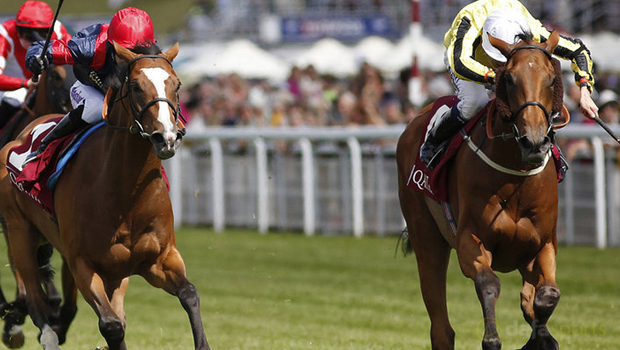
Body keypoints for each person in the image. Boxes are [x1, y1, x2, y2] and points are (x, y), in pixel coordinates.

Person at [419, 0, 598, 170]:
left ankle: (550, 148)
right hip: (467, 60)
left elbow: (578, 50)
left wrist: (585, 91)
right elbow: (460, 63)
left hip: (517, 65)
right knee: (473, 102)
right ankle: (434, 140)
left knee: (535, 94)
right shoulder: (469, 19)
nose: (500, 63)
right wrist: (496, 76)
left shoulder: (531, 27)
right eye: (498, 60)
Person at [23, 7, 156, 164]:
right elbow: (38, 48)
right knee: (96, 108)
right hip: (89, 89)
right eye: (124, 52)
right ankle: (44, 147)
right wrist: (36, 59)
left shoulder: (151, 50)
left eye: (137, 53)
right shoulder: (88, 47)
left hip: (121, 92)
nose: (130, 59)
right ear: (111, 44)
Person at [0, 1, 71, 129]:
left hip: (45, 87)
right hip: (9, 91)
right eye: (29, 37)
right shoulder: (5, 34)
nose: (36, 44)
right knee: (11, 99)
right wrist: (26, 83)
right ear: (18, 32)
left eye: (43, 35)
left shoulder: (58, 31)